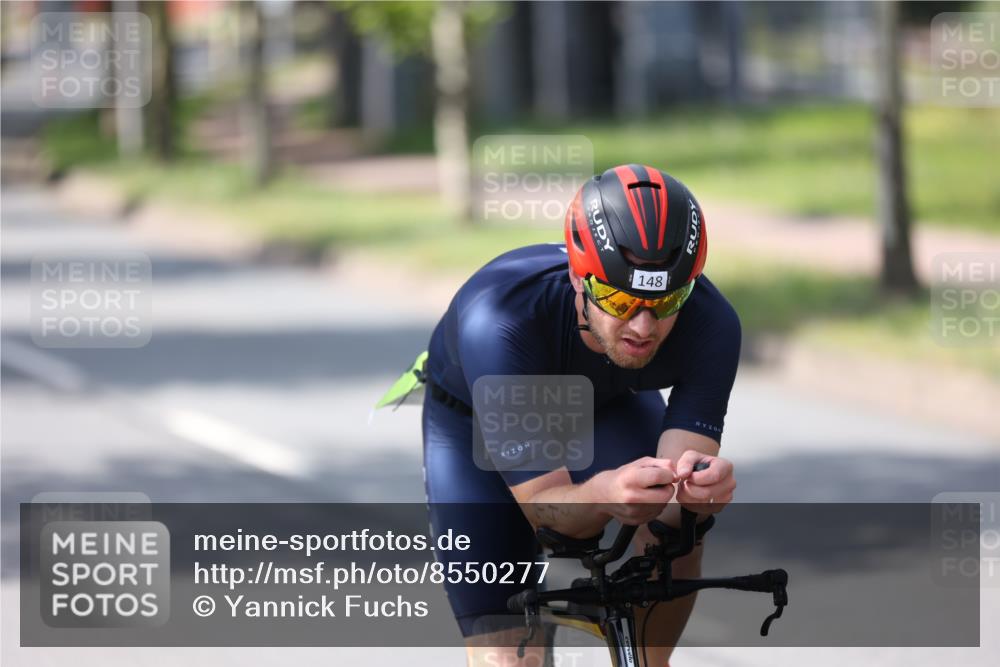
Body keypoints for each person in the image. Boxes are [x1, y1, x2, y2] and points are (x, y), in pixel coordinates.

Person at [421, 164, 740, 666]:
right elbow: (552, 516)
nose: (643, 325)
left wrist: (699, 492)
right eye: (618, 299)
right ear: (578, 276)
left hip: (606, 405)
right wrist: (608, 495)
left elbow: (679, 494)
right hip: (475, 425)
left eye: (666, 300)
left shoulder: (712, 323)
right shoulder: (500, 321)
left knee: (676, 530)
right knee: (509, 657)